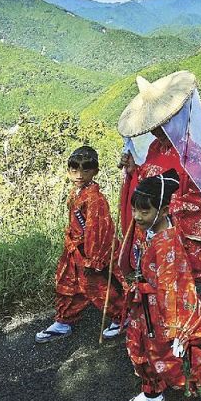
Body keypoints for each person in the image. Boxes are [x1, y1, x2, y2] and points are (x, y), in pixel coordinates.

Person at [121, 169, 201, 401]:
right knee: (140, 348)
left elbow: (174, 289)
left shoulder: (167, 244)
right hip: (146, 306)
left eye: (144, 211)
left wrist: (176, 330)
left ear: (162, 210)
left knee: (173, 356)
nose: (136, 217)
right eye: (135, 210)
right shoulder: (149, 230)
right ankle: (151, 390)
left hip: (166, 311)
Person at [117, 71, 201, 282]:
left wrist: (168, 211)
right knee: (157, 276)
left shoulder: (190, 151)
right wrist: (133, 170)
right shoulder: (156, 147)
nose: (156, 132)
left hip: (172, 224)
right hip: (155, 222)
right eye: (153, 127)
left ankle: (189, 312)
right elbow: (148, 178)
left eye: (160, 126)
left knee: (177, 277)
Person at [35, 146, 125, 343]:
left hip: (90, 252)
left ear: (95, 171)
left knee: (98, 287)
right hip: (74, 250)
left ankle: (121, 317)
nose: (79, 175)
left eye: (85, 170)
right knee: (67, 283)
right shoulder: (76, 192)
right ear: (68, 171)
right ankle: (64, 320)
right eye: (74, 170)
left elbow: (98, 230)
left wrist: (94, 258)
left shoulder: (95, 198)